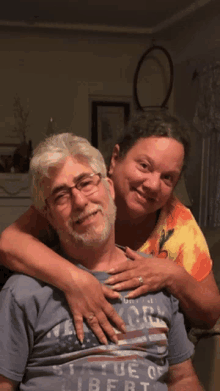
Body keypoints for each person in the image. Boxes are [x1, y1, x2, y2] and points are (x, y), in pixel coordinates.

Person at [0, 133, 202, 390]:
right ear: (48, 216)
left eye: (86, 183)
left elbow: (183, 378)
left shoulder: (155, 276)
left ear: (108, 186)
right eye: (61, 195)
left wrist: (175, 276)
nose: (80, 201)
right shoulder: (23, 291)